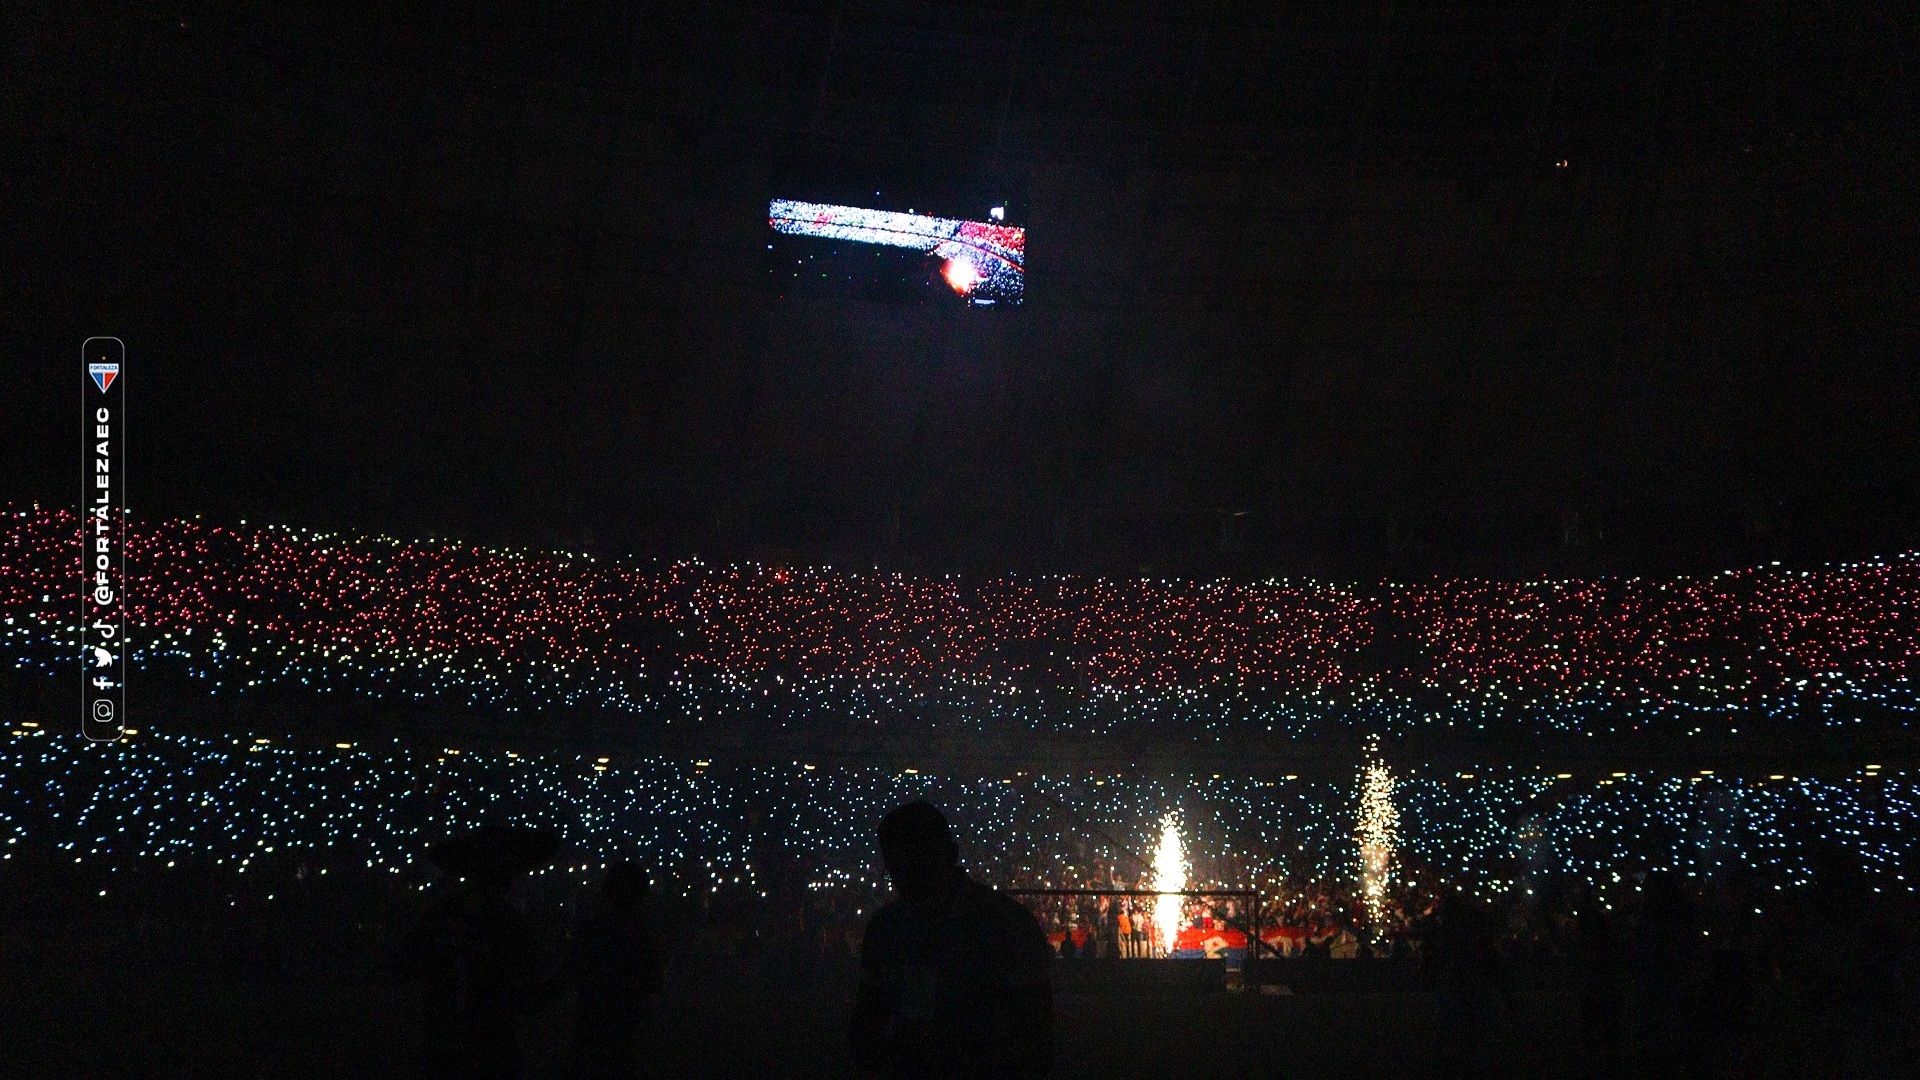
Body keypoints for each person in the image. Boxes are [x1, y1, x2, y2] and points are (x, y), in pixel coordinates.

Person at [851, 800, 1053, 1078]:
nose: (907, 879)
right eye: (900, 868)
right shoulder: (1008, 922)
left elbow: (866, 1031)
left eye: (916, 865)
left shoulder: (888, 927)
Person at [569, 862, 665, 1080]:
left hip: (598, 1026)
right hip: (626, 1028)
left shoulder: (593, 930)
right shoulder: (641, 935)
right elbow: (655, 980)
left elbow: (571, 973)